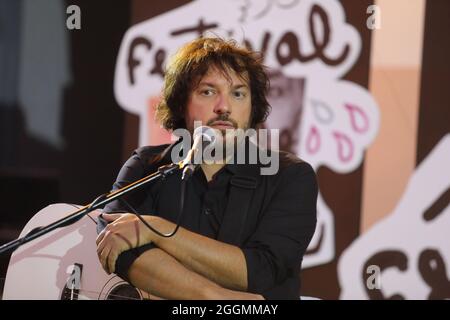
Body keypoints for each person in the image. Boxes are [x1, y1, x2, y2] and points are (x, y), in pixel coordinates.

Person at [96, 37, 318, 300]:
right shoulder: (146, 167)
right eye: (208, 91)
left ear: (252, 107)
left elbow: (260, 271)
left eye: (238, 93)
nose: (224, 107)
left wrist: (153, 229)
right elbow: (113, 242)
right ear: (181, 103)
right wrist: (211, 296)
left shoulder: (290, 176)